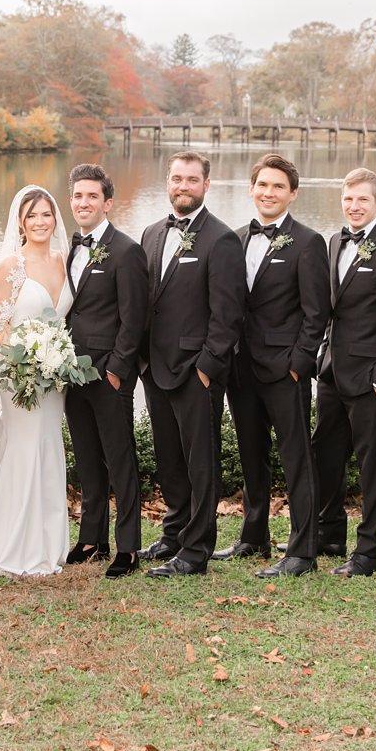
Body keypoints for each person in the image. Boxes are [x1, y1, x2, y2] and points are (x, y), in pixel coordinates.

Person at [218, 154, 329, 578]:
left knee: (296, 457)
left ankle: (303, 550)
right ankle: (253, 535)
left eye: (278, 187)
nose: (268, 192)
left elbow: (317, 313)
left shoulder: (308, 242)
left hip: (285, 370)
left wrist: (299, 365)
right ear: (251, 188)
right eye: (262, 185)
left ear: (292, 194)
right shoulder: (236, 238)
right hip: (240, 369)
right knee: (251, 455)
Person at [138, 151, 245, 578]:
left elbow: (228, 314)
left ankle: (196, 550)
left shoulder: (220, 239)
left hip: (196, 370)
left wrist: (207, 366)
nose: (184, 186)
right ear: (168, 181)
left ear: (206, 185)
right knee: (168, 457)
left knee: (201, 461)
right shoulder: (150, 233)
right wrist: (142, 360)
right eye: (177, 178)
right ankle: (174, 532)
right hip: (155, 368)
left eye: (192, 180)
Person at [0, 186, 74, 577]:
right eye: (33, 216)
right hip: (21, 377)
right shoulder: (11, 266)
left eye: (47, 215)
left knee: (49, 448)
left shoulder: (66, 262)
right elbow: (1, 328)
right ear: (21, 222)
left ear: (55, 219)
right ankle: (13, 544)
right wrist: (28, 359)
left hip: (56, 376)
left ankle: (47, 544)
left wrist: (56, 357)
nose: (41, 222)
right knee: (24, 449)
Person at [313, 168, 376, 576]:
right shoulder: (336, 241)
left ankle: (369, 551)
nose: (354, 207)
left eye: (362, 200)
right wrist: (322, 354)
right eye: (349, 200)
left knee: (371, 464)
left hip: (370, 378)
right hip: (332, 373)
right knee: (326, 454)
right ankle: (329, 533)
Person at [63, 164, 149, 580]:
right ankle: (92, 538)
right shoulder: (68, 248)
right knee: (86, 459)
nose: (83, 203)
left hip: (108, 373)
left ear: (107, 202)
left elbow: (135, 319)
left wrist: (117, 370)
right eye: (78, 196)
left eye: (92, 196)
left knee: (119, 460)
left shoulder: (126, 250)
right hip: (69, 371)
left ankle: (128, 548)